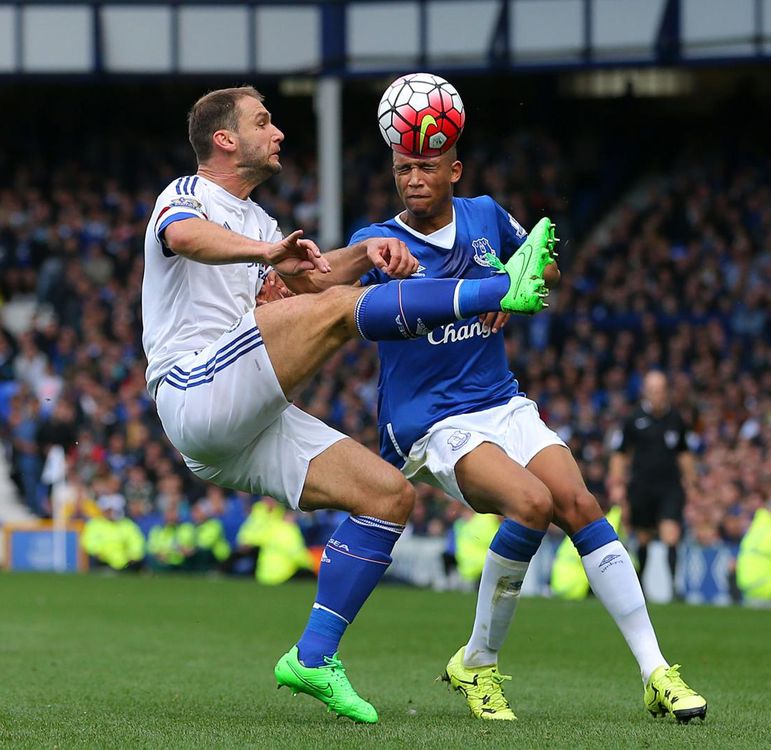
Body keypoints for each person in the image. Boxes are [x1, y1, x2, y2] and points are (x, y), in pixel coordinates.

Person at [141, 86, 555, 724]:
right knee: (338, 311)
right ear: (225, 140)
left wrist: (367, 253)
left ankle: (312, 657)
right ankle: (494, 290)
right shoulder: (190, 196)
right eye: (263, 121)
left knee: (388, 495)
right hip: (194, 386)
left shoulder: (258, 222)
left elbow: (307, 278)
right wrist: (267, 257)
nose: (277, 132)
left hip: (244, 424)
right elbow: (188, 238)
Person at [339, 146, 705, 723]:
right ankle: (479, 663)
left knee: (580, 504)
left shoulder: (484, 214)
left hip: (500, 400)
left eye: (425, 167)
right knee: (530, 503)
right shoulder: (379, 240)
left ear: (453, 170)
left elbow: (547, 270)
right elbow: (341, 298)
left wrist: (510, 278)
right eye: (402, 169)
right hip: (431, 420)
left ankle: (656, 671)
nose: (412, 179)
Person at [609, 370, 697, 591]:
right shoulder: (633, 419)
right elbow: (620, 453)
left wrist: (691, 480)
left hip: (670, 486)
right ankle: (642, 585)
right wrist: (617, 483)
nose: (657, 395)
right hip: (642, 487)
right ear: (645, 392)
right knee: (643, 535)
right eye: (652, 391)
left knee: (671, 533)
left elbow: (684, 452)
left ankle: (674, 587)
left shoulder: (676, 419)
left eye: (660, 390)